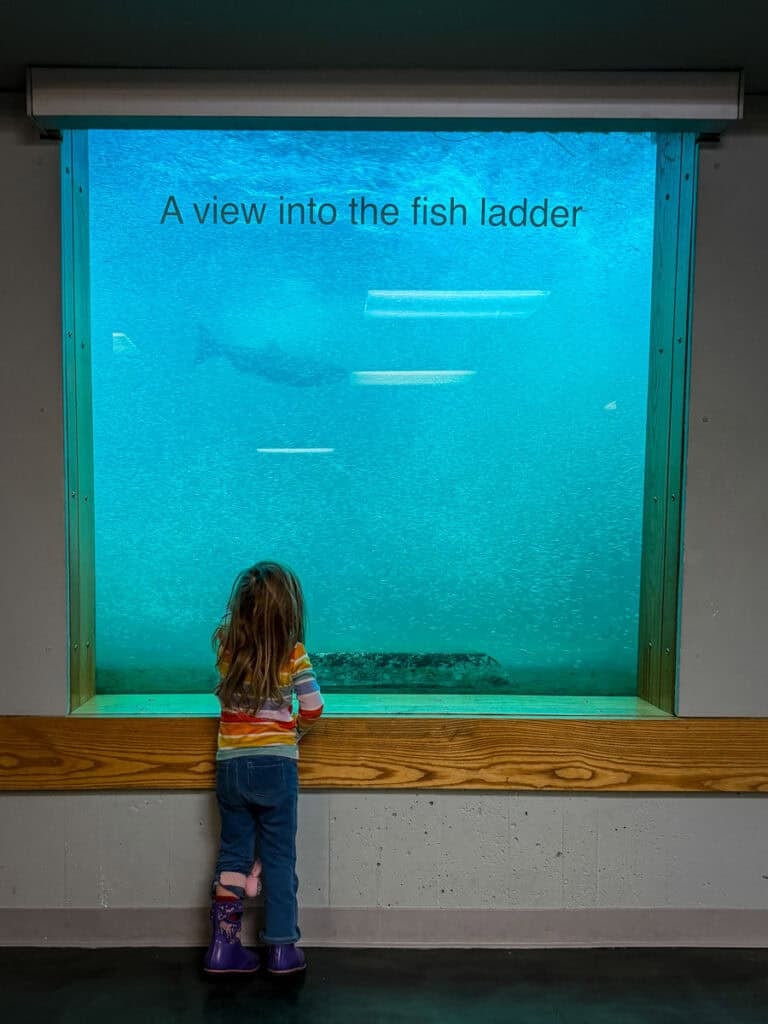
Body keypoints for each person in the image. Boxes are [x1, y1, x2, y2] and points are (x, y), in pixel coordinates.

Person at [203, 562, 324, 975]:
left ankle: (223, 948)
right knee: (278, 858)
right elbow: (313, 708)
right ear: (287, 613)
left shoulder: (226, 649)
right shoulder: (293, 655)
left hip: (230, 768)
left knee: (233, 854)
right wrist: (291, 735)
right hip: (276, 768)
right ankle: (281, 948)